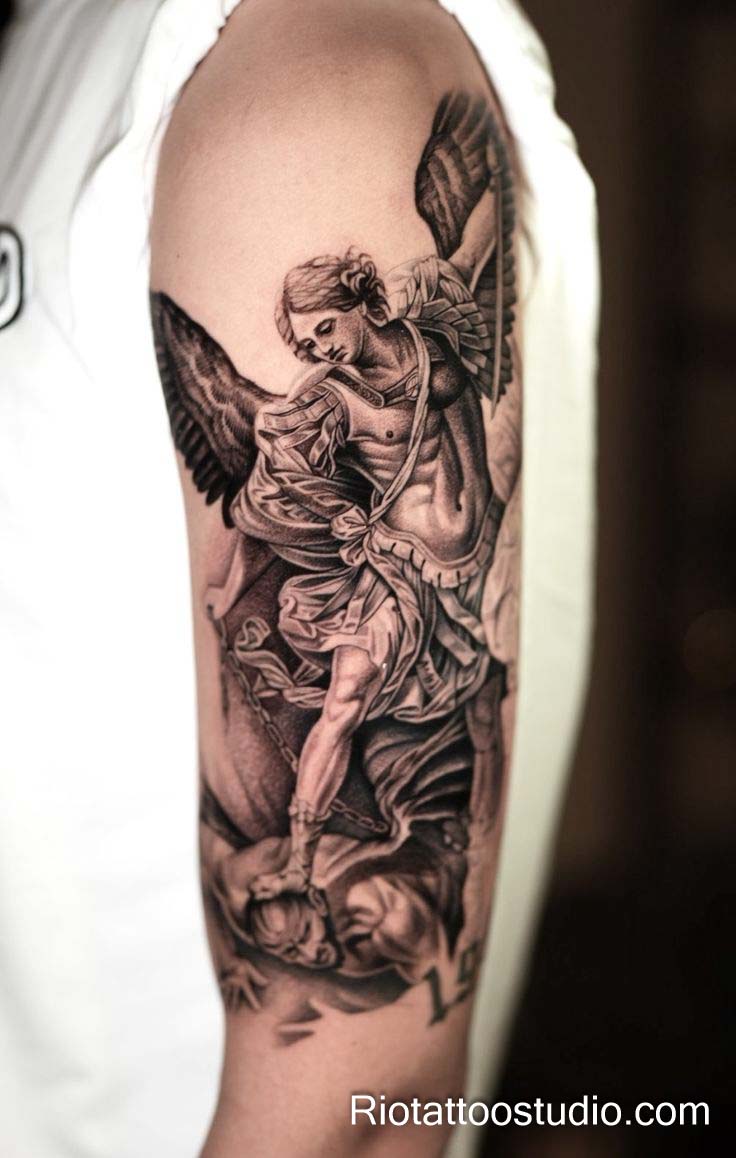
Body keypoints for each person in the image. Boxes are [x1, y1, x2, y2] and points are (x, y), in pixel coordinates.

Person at [0, 2, 598, 1156]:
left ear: (360, 306)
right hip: (379, 563)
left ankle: (313, 848)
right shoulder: (53, 33)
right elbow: (272, 487)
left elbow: (357, 1120)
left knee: (340, 702)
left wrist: (381, 530)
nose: (313, 354)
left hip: (420, 577)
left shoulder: (321, 90)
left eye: (323, 333)